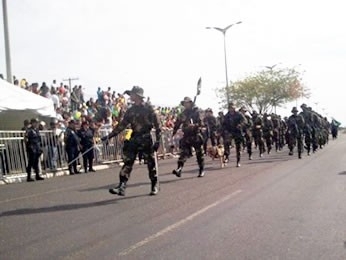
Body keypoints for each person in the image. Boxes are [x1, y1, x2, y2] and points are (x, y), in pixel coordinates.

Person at [101, 86, 161, 196]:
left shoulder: (149, 108)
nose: (130, 96)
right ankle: (122, 186)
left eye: (132, 94)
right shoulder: (130, 110)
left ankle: (154, 186)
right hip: (134, 138)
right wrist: (110, 136)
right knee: (128, 162)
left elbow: (158, 126)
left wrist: (158, 141)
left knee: (151, 163)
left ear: (137, 96)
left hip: (146, 138)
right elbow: (122, 125)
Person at [171, 96, 205, 177]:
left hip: (195, 135)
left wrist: (195, 125)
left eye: (187, 103)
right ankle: (179, 169)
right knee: (183, 154)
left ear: (190, 103)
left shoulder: (197, 112)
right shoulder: (183, 114)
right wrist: (174, 133)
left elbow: (201, 123)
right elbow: (177, 124)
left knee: (199, 154)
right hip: (186, 136)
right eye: (185, 103)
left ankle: (201, 170)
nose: (186, 104)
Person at [222, 102, 246, 167]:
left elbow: (244, 121)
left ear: (234, 107)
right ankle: (226, 156)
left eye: (232, 107)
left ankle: (238, 161)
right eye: (230, 107)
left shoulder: (239, 114)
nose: (231, 109)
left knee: (238, 147)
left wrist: (240, 125)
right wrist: (224, 130)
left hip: (237, 131)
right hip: (230, 131)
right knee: (226, 143)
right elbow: (223, 124)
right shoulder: (227, 115)